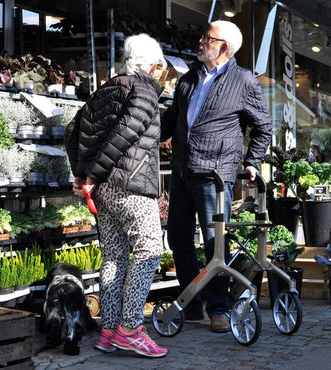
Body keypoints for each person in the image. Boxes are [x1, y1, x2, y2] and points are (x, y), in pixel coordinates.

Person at [161, 20, 272, 333]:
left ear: (224, 47)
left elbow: (263, 126)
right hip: (182, 171)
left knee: (215, 244)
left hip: (215, 175)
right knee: (178, 239)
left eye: (206, 38)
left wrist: (252, 161)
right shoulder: (189, 78)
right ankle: (192, 303)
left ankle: (219, 309)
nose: (200, 41)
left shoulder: (244, 81)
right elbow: (169, 121)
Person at [65, 33, 168, 358]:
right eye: (160, 66)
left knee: (114, 257)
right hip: (131, 186)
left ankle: (108, 331)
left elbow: (72, 130)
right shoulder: (144, 89)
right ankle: (130, 328)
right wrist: (92, 175)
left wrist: (83, 175)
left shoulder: (106, 88)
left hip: (105, 190)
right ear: (153, 64)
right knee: (150, 249)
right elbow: (126, 131)